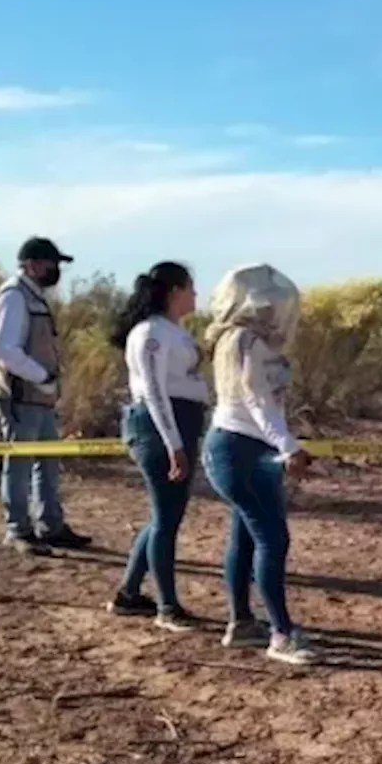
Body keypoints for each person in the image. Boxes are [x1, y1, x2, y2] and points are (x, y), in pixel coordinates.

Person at [202, 264, 316, 666]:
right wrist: (287, 447)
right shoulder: (243, 341)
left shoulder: (246, 341)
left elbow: (267, 403)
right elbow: (256, 400)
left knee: (246, 536)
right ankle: (281, 633)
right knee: (272, 538)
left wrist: (284, 442)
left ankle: (242, 623)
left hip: (247, 447)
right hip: (239, 448)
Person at [105, 262, 209, 632]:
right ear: (174, 291)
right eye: (191, 288)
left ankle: (129, 594)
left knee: (164, 515)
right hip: (158, 427)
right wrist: (173, 444)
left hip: (179, 424)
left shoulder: (173, 331)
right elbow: (153, 391)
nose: (197, 295)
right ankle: (167, 607)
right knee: (167, 519)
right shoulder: (150, 333)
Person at [0, 237, 92, 554]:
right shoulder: (14, 296)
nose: (55, 270)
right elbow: (4, 349)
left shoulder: (33, 297)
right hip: (19, 395)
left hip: (37, 396)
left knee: (46, 463)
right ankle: (18, 529)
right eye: (51, 263)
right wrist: (41, 375)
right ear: (32, 264)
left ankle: (51, 526)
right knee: (19, 465)